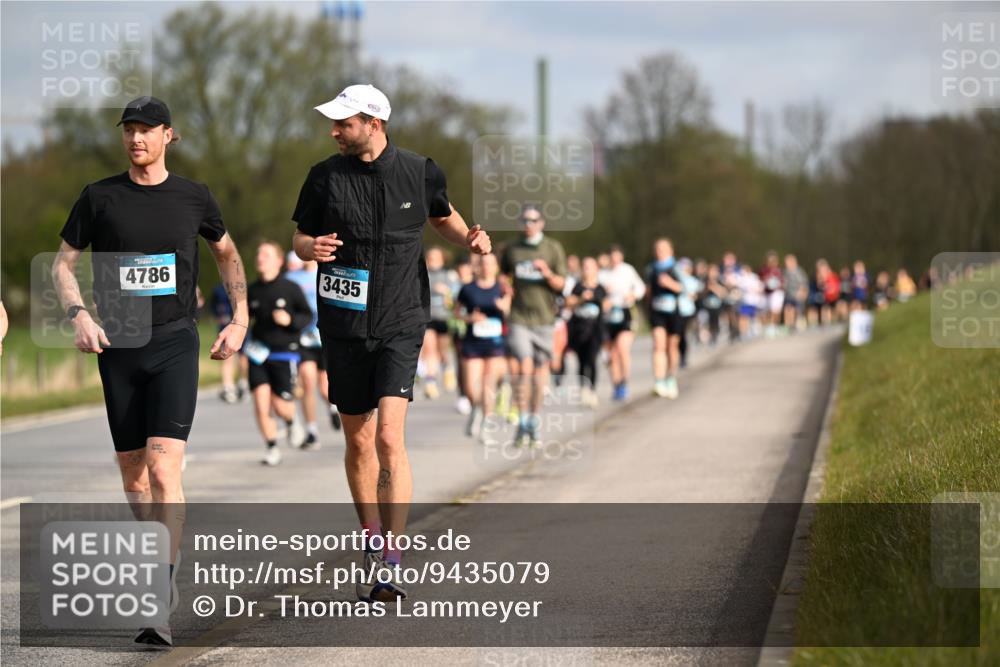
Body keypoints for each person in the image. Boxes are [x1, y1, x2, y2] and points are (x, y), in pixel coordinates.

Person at [52, 96, 248, 648]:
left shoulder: (194, 196)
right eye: (129, 130)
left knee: (164, 471)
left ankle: (159, 590)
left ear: (168, 135)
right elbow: (63, 265)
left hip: (174, 342)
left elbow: (227, 255)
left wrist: (239, 317)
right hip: (118, 346)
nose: (136, 139)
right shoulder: (99, 197)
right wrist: (79, 314)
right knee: (135, 476)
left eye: (146, 130)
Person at [291, 84, 491, 601]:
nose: (334, 132)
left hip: (402, 318)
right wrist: (310, 247)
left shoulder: (420, 171)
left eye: (344, 123)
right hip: (343, 322)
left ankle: (392, 559)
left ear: (374, 124)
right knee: (358, 441)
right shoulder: (324, 176)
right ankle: (371, 538)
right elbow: (300, 236)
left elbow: (442, 216)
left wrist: (469, 238)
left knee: (387, 438)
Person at [500, 205, 567, 447]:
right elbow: (502, 274)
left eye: (533, 220)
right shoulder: (512, 249)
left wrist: (547, 273)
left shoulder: (552, 248)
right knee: (524, 367)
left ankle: (533, 420)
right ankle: (521, 420)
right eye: (525, 220)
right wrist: (505, 286)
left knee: (540, 371)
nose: (529, 224)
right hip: (519, 318)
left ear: (541, 223)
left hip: (544, 319)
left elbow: (562, 285)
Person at [246, 242, 313, 465]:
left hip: (285, 352)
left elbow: (307, 316)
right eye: (259, 254)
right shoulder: (252, 290)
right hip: (258, 353)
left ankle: (292, 421)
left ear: (278, 261)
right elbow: (244, 319)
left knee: (280, 404)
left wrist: (290, 320)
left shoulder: (290, 288)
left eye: (266, 254)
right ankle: (272, 447)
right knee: (260, 401)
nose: (260, 258)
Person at [285, 251, 342, 440]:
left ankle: (333, 407)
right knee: (307, 381)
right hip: (303, 337)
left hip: (325, 336)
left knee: (324, 387)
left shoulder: (329, 272)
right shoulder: (292, 278)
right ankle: (311, 430)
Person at [455, 252, 510, 441]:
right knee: (471, 388)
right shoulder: (468, 289)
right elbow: (457, 312)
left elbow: (511, 310)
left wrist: (504, 307)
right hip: (473, 342)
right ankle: (475, 410)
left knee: (488, 386)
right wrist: (470, 318)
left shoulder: (502, 287)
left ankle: (487, 425)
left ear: (496, 267)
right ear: (477, 266)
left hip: (495, 342)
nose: (486, 267)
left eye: (490, 263)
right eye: (483, 263)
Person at [599, 244, 645, 401]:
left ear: (621, 257)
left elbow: (640, 287)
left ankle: (624, 382)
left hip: (625, 313)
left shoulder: (628, 270)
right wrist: (603, 297)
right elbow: (595, 293)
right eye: (612, 257)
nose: (614, 260)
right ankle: (616, 384)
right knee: (611, 355)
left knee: (622, 348)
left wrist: (633, 295)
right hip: (608, 317)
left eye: (617, 257)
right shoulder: (602, 274)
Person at [566, 257, 609, 408]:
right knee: (581, 360)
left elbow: (607, 305)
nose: (586, 270)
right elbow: (568, 303)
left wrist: (600, 300)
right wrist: (581, 299)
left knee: (592, 359)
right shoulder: (577, 287)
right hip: (579, 330)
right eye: (584, 267)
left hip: (595, 330)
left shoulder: (601, 288)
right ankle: (583, 389)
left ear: (596, 269)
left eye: (589, 267)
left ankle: (592, 390)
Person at [419, 247, 460, 399]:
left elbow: (457, 293)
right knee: (429, 349)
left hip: (444, 318)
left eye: (436, 258)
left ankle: (447, 368)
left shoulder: (449, 275)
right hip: (427, 317)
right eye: (430, 258)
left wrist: (446, 291)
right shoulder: (421, 274)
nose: (433, 261)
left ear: (442, 259)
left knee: (443, 351)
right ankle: (430, 382)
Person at [646, 238, 684, 399]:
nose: (659, 252)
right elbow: (648, 291)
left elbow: (684, 288)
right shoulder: (651, 269)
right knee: (658, 345)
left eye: (663, 249)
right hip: (657, 312)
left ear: (670, 251)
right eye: (657, 249)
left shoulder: (676, 268)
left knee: (672, 347)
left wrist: (670, 284)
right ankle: (659, 381)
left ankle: (670, 378)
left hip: (674, 311)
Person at [209, 283, 247, 403]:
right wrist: (218, 316)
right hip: (225, 327)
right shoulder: (218, 290)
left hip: (240, 328)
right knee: (226, 356)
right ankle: (228, 387)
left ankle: (243, 382)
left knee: (243, 357)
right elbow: (213, 306)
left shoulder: (242, 288)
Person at [760, 250, 784, 337]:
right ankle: (767, 327)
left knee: (775, 311)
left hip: (776, 293)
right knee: (766, 311)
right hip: (767, 293)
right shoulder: (764, 270)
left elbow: (783, 282)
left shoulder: (780, 270)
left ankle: (774, 326)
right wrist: (766, 281)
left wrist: (779, 285)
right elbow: (761, 280)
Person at [782, 254, 809, 332]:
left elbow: (803, 283)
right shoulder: (785, 272)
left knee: (796, 310)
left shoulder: (798, 272)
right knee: (787, 309)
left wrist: (802, 293)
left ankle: (796, 325)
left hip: (797, 294)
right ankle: (788, 326)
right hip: (788, 294)